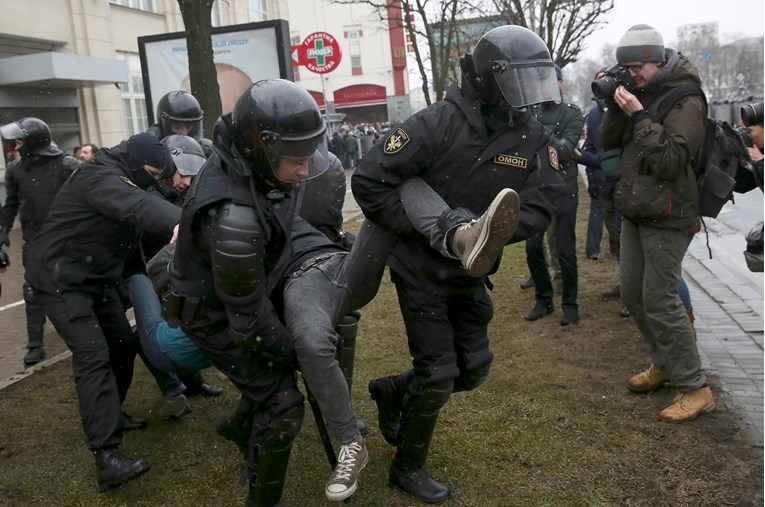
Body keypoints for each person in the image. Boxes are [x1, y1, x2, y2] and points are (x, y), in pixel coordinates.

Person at [352, 25, 563, 502]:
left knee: (474, 368)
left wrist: (493, 232)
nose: (527, 97)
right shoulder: (434, 123)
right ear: (490, 78)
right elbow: (369, 181)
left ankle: (389, 391)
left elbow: (544, 200)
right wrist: (427, 232)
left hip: (472, 271)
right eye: (519, 84)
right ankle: (407, 466)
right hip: (419, 270)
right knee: (438, 373)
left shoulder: (532, 135)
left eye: (536, 84)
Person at [167, 79, 339, 507]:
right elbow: (247, 318)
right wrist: (294, 350)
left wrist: (329, 247)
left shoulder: (250, 163)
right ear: (262, 146)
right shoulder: (234, 217)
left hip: (237, 289)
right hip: (212, 313)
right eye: (296, 161)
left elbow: (284, 227)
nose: (305, 171)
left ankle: (241, 426)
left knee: (269, 382)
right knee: (282, 403)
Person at [23, 132, 182, 492]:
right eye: (153, 174)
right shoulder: (99, 177)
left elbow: (136, 227)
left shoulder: (126, 175)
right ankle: (106, 456)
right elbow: (138, 205)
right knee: (93, 355)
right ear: (136, 163)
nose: (155, 182)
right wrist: (181, 222)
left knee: (122, 346)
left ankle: (112, 413)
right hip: (60, 279)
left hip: (95, 278)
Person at [601, 24, 714, 422]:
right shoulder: (641, 92)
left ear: (656, 58)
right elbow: (607, 141)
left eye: (635, 67)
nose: (631, 75)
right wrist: (616, 108)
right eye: (624, 68)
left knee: (661, 299)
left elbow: (669, 160)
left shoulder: (687, 98)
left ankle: (695, 387)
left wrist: (640, 114)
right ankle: (664, 363)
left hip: (669, 213)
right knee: (633, 295)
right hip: (636, 209)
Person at [0, 117, 80, 366]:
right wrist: (2, 236)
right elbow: (11, 204)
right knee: (32, 291)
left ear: (32, 141)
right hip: (34, 242)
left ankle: (82, 335)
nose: (16, 144)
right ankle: (35, 344)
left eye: (20, 140)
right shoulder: (16, 170)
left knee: (75, 289)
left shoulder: (67, 165)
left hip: (67, 241)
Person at [524, 64, 584, 325]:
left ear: (560, 83)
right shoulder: (531, 112)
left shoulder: (572, 113)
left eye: (551, 81)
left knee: (565, 250)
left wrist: (538, 136)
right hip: (537, 190)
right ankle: (543, 299)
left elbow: (563, 149)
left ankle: (570, 305)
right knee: (532, 246)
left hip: (564, 189)